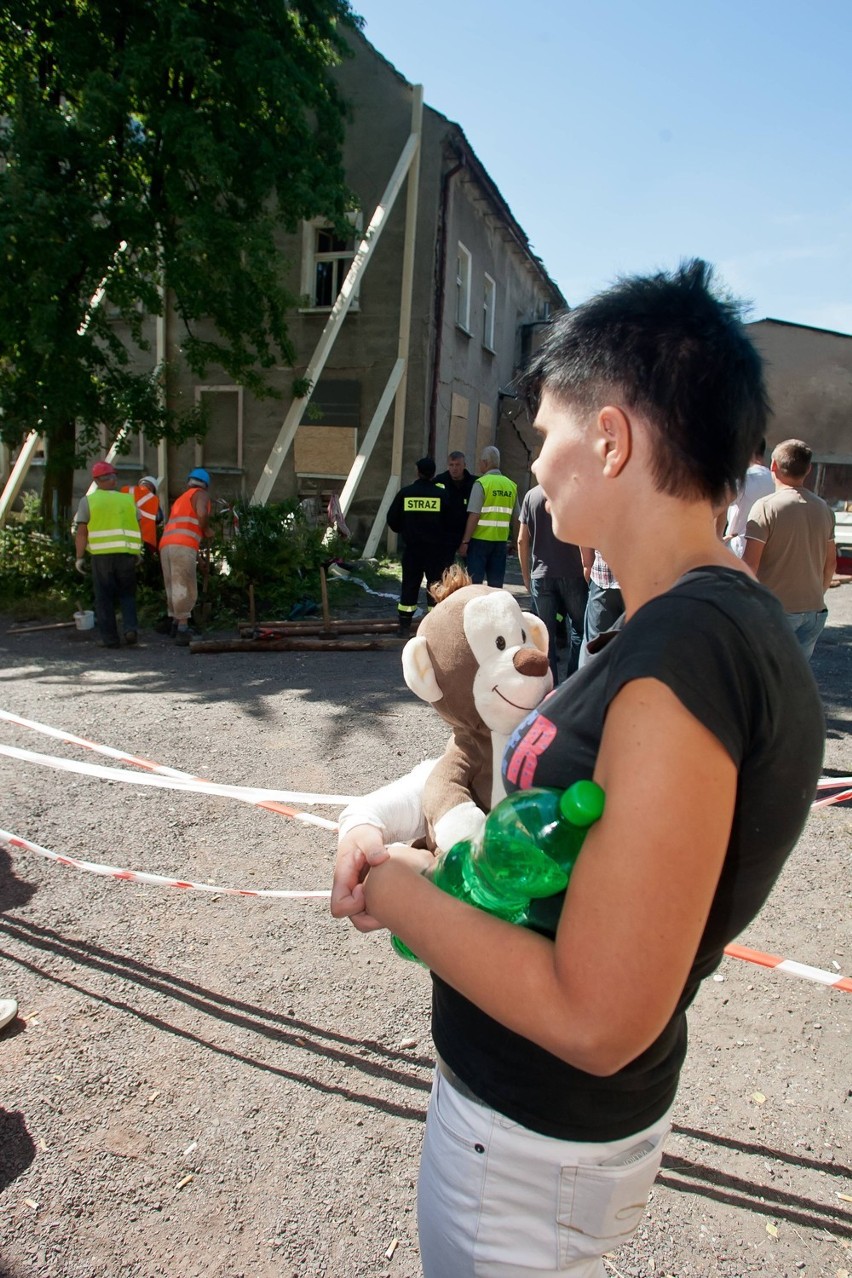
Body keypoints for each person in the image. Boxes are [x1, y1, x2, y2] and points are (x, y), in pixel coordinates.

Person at [331, 261, 825, 1278]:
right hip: (541, 1142)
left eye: (547, 431)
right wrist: (436, 854)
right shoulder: (696, 628)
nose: (539, 462)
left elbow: (594, 1017)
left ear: (611, 438)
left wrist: (392, 890)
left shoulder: (686, 651)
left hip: (523, 1146)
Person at [742, 439, 836, 660]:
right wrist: (817, 594)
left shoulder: (765, 507)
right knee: (794, 682)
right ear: (809, 469)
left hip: (774, 610)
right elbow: (830, 563)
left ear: (773, 466)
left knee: (763, 679)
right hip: (813, 610)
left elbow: (750, 564)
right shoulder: (824, 509)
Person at [518, 483, 587, 681]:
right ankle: (574, 680)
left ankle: (549, 683)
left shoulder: (530, 496)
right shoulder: (572, 493)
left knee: (544, 634)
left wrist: (525, 575)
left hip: (541, 575)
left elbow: (522, 540)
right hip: (573, 572)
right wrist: (587, 566)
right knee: (580, 628)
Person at [74, 460, 142, 648]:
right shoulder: (127, 499)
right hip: (126, 555)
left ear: (96, 480)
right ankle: (130, 629)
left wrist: (79, 557)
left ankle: (110, 639)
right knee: (127, 594)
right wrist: (137, 551)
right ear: (113, 478)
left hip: (101, 557)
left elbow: (82, 531)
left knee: (104, 598)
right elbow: (138, 524)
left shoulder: (88, 501)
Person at [387, 457, 454, 634]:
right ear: (433, 474)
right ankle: (435, 628)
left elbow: (392, 520)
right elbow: (451, 523)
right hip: (435, 551)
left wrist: (406, 529)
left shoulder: (406, 493)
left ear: (418, 472)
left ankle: (404, 627)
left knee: (409, 585)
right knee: (435, 587)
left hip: (413, 549)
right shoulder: (442, 495)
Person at [159, 467, 213, 646]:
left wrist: (199, 559)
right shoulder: (201, 495)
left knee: (172, 584)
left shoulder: (181, 500)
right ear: (205, 485)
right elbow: (202, 514)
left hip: (166, 545)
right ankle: (183, 628)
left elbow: (183, 530)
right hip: (182, 546)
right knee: (184, 584)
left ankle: (174, 623)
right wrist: (206, 530)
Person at [460, 446, 518, 587]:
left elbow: (474, 515)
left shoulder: (482, 483)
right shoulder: (511, 485)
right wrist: (515, 542)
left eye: (480, 461)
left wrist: (465, 542)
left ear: (485, 463)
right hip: (500, 542)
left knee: (474, 585)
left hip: (479, 542)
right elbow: (517, 519)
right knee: (496, 587)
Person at [722, 438, 774, 557]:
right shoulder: (777, 480)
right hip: (769, 553)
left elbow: (716, 507)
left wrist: (717, 539)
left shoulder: (743, 479)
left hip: (739, 550)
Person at [578, 548, 623, 666]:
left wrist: (587, 567)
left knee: (595, 652)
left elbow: (585, 536)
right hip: (642, 584)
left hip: (603, 582)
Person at [435, 450, 477, 563]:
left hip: (467, 533)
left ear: (464, 465)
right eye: (451, 465)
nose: (454, 468)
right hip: (445, 534)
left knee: (469, 572)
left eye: (458, 465)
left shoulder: (475, 483)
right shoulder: (440, 480)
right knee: (443, 569)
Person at [121, 475, 163, 551]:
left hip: (122, 534)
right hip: (144, 538)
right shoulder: (153, 499)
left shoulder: (125, 490)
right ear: (153, 489)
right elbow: (159, 518)